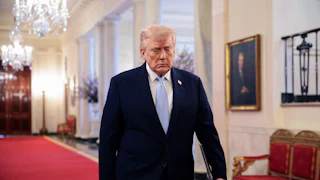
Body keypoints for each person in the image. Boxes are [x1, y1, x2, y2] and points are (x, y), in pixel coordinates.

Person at [99, 25, 226, 180]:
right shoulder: (122, 84)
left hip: (179, 173)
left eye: (168, 49)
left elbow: (208, 134)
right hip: (135, 174)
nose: (163, 56)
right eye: (156, 50)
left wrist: (219, 174)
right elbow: (108, 140)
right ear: (143, 53)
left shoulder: (192, 84)